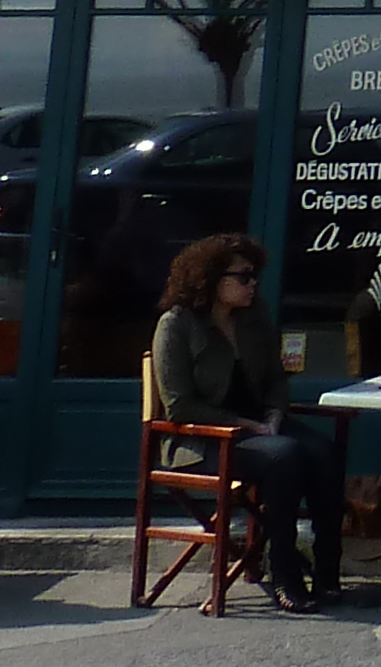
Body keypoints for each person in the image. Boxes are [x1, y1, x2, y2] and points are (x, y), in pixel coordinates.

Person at [148, 235, 346, 611]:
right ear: (211, 280)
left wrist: (273, 413)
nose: (253, 284)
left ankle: (327, 572)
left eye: (254, 276)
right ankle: (284, 573)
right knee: (283, 456)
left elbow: (275, 377)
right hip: (204, 440)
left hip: (260, 427)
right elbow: (179, 405)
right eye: (244, 277)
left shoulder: (254, 318)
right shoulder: (175, 326)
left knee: (323, 453)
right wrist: (243, 423)